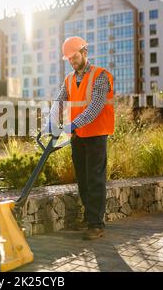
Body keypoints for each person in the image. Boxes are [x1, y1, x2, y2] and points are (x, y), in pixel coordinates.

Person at [48, 36, 115, 240]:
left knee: (95, 179)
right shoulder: (69, 79)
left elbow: (95, 107)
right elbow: (59, 101)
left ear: (84, 52)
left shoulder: (101, 76)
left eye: (74, 56)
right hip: (77, 136)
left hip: (96, 135)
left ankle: (96, 224)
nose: (72, 61)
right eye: (68, 58)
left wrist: (74, 123)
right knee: (83, 180)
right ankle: (89, 219)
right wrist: (51, 121)